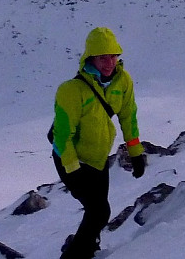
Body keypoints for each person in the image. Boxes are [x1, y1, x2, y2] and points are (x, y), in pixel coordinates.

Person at [52, 27, 146, 259]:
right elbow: (62, 135)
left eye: (113, 56)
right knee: (99, 211)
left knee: (97, 209)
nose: (109, 62)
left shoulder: (123, 81)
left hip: (99, 157)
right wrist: (72, 170)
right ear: (90, 57)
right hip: (70, 157)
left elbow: (128, 116)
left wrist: (135, 152)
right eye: (102, 57)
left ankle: (88, 248)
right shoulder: (72, 90)